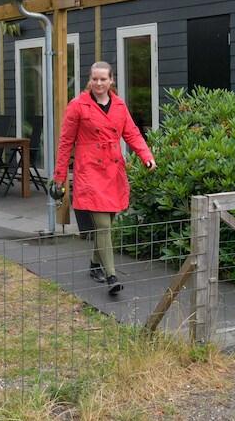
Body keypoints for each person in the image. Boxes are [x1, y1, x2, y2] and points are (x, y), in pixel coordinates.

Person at [52, 61, 156, 295]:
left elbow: (132, 132)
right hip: (89, 171)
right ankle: (112, 276)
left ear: (111, 81)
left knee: (106, 223)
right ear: (90, 80)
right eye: (94, 79)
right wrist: (59, 176)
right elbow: (66, 142)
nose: (98, 83)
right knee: (103, 226)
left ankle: (94, 264)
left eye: (103, 79)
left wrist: (145, 155)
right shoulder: (77, 105)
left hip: (113, 169)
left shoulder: (119, 105)